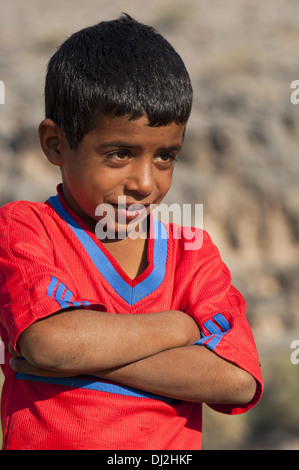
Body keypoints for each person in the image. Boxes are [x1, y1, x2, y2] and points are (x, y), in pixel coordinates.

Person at [0, 14, 262, 450]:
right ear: (55, 145)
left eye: (165, 157)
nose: (145, 182)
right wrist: (179, 327)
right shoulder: (26, 229)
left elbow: (237, 379)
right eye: (120, 154)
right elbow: (50, 343)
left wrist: (82, 357)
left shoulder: (192, 252)